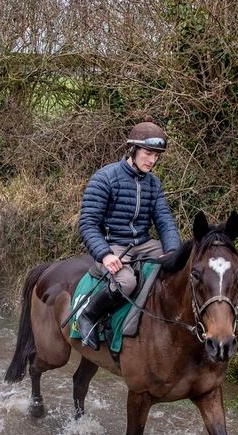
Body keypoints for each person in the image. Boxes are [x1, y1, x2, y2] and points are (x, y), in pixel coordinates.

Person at [75, 118, 180, 350]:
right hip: (113, 245)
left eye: (156, 156)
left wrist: (173, 250)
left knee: (182, 261)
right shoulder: (105, 178)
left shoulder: (153, 184)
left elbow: (164, 221)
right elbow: (88, 224)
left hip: (143, 243)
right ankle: (89, 316)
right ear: (133, 150)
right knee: (126, 281)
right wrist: (105, 254)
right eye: (148, 153)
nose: (152, 160)